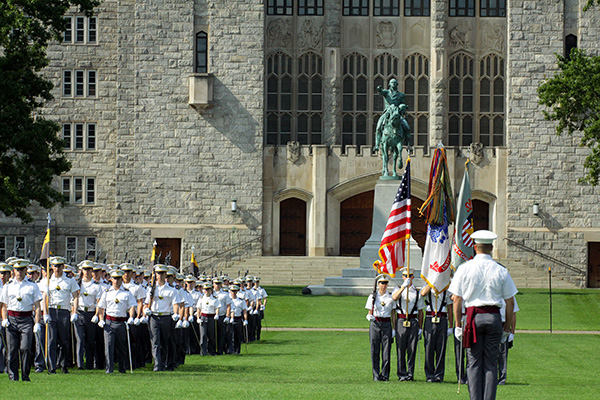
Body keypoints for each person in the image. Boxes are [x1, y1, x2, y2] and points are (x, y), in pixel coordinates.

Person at [449, 230, 518, 400]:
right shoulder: (501, 270)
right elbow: (510, 301)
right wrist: (507, 327)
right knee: (490, 364)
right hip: (494, 317)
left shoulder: (464, 268)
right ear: (492, 247)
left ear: (474, 247)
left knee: (473, 364)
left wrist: (458, 325)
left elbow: (456, 299)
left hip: (473, 318)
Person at [0, 260, 43, 381]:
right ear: (14, 271)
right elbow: (4, 304)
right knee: (12, 350)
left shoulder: (32, 285)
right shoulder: (8, 285)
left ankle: (25, 375)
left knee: (25, 348)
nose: (19, 272)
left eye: (22, 270)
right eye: (17, 270)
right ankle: (13, 376)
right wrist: (4, 319)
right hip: (12, 319)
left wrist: (37, 323)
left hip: (26, 319)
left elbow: (37, 305)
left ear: (25, 270)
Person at [40, 256, 80, 374]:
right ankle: (52, 366)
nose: (57, 269)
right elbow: (44, 297)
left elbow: (75, 296)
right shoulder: (47, 281)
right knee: (51, 340)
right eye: (54, 266)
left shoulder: (69, 280)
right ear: (51, 267)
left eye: (59, 266)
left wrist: (74, 312)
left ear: (63, 267)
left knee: (64, 341)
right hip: (52, 310)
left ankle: (63, 364)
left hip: (63, 311)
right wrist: (45, 313)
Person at [143, 264, 184, 371]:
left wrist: (176, 314)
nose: (159, 275)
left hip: (166, 317)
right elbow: (146, 303)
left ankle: (164, 363)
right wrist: (146, 309)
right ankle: (157, 365)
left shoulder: (172, 289)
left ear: (165, 274)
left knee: (165, 342)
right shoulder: (152, 288)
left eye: (162, 273)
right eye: (158, 273)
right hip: (154, 316)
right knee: (155, 342)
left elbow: (175, 303)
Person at [96, 269, 137, 373]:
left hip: (121, 322)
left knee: (122, 346)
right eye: (114, 278)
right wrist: (101, 319)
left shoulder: (127, 293)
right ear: (111, 279)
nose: (116, 281)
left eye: (118, 278)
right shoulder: (107, 292)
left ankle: (122, 368)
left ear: (121, 279)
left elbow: (132, 306)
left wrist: (131, 317)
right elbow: (101, 307)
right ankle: (109, 369)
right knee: (108, 346)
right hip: (109, 321)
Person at [392, 268, 425, 381]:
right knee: (401, 349)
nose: (407, 278)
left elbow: (421, 311)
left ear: (413, 277)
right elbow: (394, 297)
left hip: (412, 321)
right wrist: (403, 287)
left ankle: (410, 374)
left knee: (412, 349)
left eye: (409, 276)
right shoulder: (397, 289)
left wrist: (420, 328)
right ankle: (402, 374)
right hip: (401, 321)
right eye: (405, 276)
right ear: (402, 277)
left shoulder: (416, 292)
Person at [421, 284, 453, 382]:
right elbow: (422, 293)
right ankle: (429, 375)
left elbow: (450, 308)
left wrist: (451, 325)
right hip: (430, 319)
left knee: (441, 348)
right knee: (429, 348)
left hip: (442, 319)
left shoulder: (445, 289)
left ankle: (439, 375)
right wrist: (431, 283)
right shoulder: (427, 288)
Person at [366, 273, 395, 381]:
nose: (384, 285)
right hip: (376, 323)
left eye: (386, 283)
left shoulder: (390, 297)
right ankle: (376, 375)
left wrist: (394, 329)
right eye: (382, 283)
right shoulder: (373, 296)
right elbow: (370, 310)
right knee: (375, 350)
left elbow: (393, 314)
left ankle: (385, 374)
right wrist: (369, 316)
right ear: (378, 284)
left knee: (386, 351)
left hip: (386, 324)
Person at [74, 260, 102, 370]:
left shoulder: (96, 286)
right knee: (80, 339)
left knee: (90, 340)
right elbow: (74, 299)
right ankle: (80, 364)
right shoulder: (77, 284)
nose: (87, 272)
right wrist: (74, 312)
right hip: (80, 312)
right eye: (85, 269)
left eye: (89, 269)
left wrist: (96, 314)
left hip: (91, 313)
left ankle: (89, 364)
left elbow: (99, 302)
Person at [498, 297, 519, 385]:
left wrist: (512, 332)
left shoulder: (509, 295)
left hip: (504, 324)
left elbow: (513, 314)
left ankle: (502, 378)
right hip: (493, 322)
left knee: (503, 353)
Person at [196, 282, 220, 356]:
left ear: (211, 290)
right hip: (203, 317)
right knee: (203, 335)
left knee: (211, 336)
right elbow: (198, 309)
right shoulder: (201, 299)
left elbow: (217, 308)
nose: (207, 291)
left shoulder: (214, 299)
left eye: (208, 289)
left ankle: (211, 351)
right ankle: (203, 351)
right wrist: (198, 318)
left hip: (211, 317)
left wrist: (217, 314)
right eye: (205, 289)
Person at [228, 284, 248, 354]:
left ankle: (237, 350)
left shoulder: (241, 300)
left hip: (238, 319)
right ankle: (231, 350)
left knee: (237, 335)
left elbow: (244, 311)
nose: (233, 292)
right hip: (230, 319)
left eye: (235, 291)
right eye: (232, 291)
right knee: (230, 335)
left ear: (237, 291)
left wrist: (245, 320)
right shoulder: (228, 300)